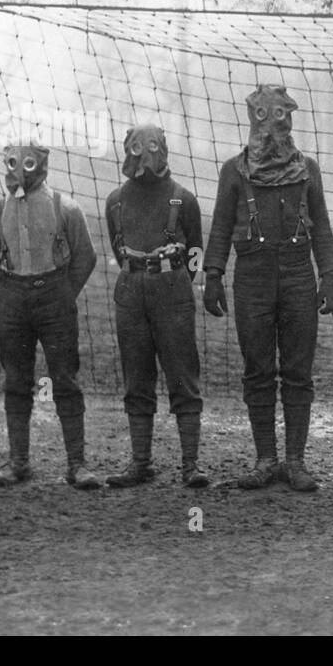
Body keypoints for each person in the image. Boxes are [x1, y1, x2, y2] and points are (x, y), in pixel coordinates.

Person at [203, 85, 333, 491]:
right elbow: (222, 225)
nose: (274, 126)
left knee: (298, 371)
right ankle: (265, 459)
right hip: (252, 278)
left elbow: (323, 227)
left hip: (298, 275)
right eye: (266, 117)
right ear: (253, 120)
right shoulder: (234, 171)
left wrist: (328, 275)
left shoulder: (308, 169)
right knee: (258, 370)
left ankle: (295, 462)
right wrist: (212, 274)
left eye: (282, 116)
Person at [0, 142, 100, 488]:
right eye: (12, 162)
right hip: (14, 300)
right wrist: (11, 287)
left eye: (27, 162)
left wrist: (63, 292)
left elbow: (86, 257)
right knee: (16, 379)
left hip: (55, 297)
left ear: (41, 165)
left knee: (64, 378)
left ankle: (77, 464)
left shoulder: (66, 207)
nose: (18, 170)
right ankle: (18, 462)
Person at [103, 124, 209, 489]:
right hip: (132, 289)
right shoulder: (115, 200)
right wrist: (141, 271)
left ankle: (190, 464)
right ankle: (140, 462)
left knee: (182, 373)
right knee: (137, 374)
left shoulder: (184, 199)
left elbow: (195, 250)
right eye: (136, 147)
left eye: (151, 147)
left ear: (163, 150)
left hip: (172, 291)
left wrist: (177, 278)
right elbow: (118, 248)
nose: (143, 156)